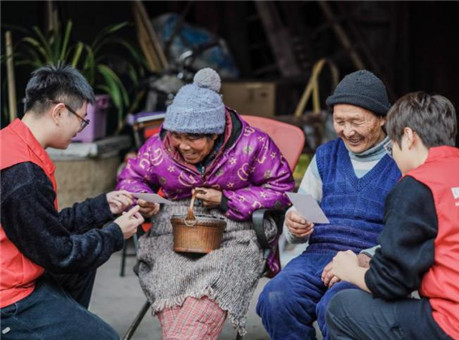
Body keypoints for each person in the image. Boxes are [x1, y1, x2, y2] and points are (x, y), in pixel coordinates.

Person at [116, 67, 295, 338]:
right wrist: (143, 202)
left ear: (215, 134)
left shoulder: (253, 144)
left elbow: (282, 188)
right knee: (168, 275)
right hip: (174, 229)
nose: (183, 146)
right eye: (177, 135)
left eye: (194, 138)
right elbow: (130, 179)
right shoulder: (159, 146)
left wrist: (226, 199)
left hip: (237, 232)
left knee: (213, 283)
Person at [326, 91, 459, 340]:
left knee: (342, 307)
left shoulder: (418, 184)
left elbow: (390, 283)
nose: (394, 157)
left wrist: (348, 270)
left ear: (408, 136)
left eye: (392, 147)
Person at [0, 64, 145, 340]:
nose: (81, 128)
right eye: (82, 119)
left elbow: (45, 227)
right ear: (59, 112)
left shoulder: (11, 142)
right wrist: (116, 234)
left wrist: (103, 206)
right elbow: (60, 253)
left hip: (20, 267)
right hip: (9, 299)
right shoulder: (23, 174)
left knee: (83, 268)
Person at [256, 70, 401, 339]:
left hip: (366, 262)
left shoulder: (401, 160)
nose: (348, 131)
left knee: (336, 308)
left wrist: (365, 259)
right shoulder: (326, 155)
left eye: (356, 121)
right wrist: (294, 225)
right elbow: (303, 212)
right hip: (316, 255)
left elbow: (406, 235)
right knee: (276, 298)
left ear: (382, 118)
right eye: (339, 121)